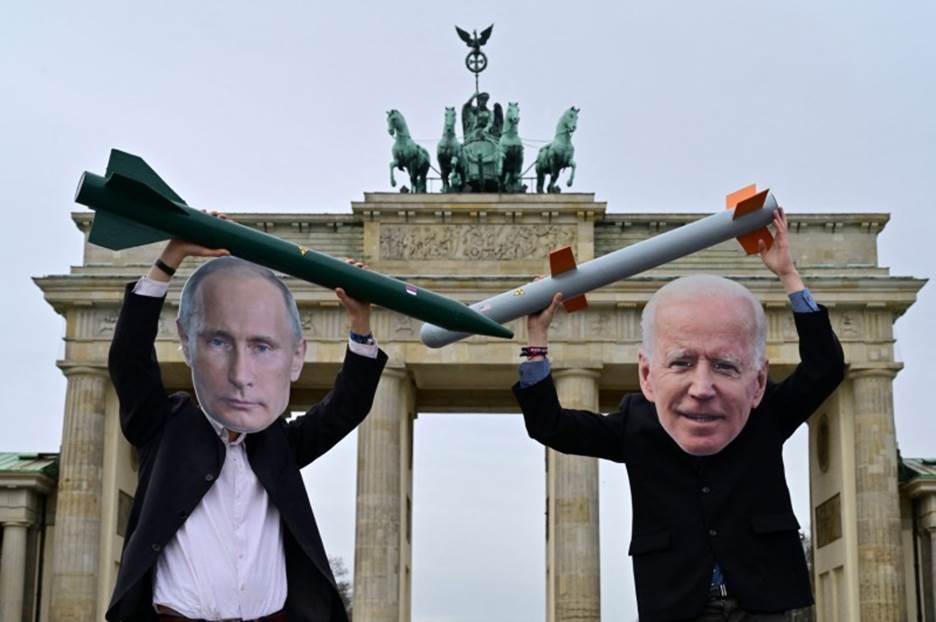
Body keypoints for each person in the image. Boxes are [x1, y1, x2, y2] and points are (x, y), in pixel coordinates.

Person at [513, 209, 845, 621]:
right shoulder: (636, 424)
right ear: (648, 376)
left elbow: (825, 367)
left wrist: (789, 275)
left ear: (757, 383)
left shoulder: (764, 414)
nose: (702, 389)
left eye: (724, 366)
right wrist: (536, 342)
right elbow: (551, 425)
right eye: (682, 364)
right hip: (677, 603)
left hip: (763, 600)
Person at [105, 230, 387, 622]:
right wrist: (172, 256)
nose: (241, 376)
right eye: (219, 343)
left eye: (261, 348)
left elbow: (345, 408)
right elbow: (130, 358)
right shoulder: (165, 428)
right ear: (187, 344)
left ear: (295, 358)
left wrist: (360, 323)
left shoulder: (279, 446)